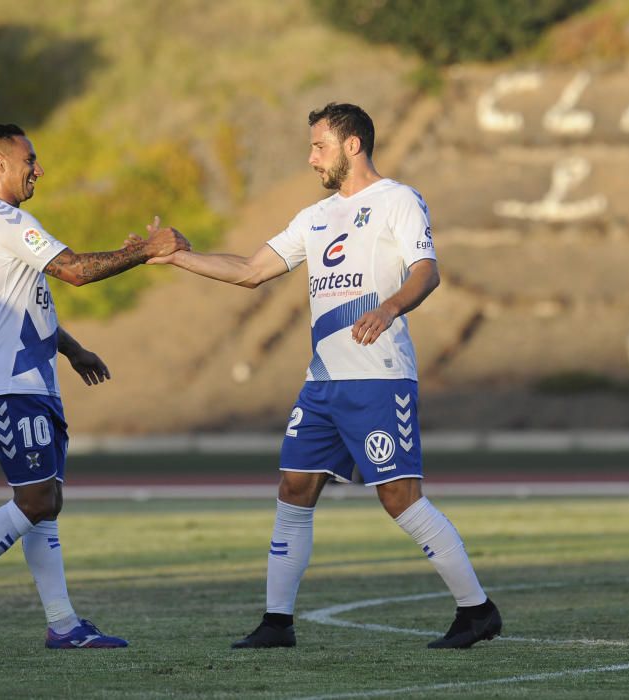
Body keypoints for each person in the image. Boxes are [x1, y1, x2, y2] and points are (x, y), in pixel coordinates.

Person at [148, 103, 502, 649]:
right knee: (294, 488)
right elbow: (249, 271)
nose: (311, 157)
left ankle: (477, 612)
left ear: (353, 145)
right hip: (322, 384)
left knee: (400, 498)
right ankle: (277, 623)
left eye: (320, 146)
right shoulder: (314, 216)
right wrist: (179, 258)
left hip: (379, 380)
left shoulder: (398, 200)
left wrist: (389, 309)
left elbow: (426, 271)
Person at [0, 123, 190, 651]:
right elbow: (77, 271)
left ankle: (63, 624)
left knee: (46, 499)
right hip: (9, 385)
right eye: (29, 159)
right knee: (38, 498)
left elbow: (28, 303)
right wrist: (145, 251)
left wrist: (72, 348)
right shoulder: (0, 219)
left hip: (31, 383)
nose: (37, 169)